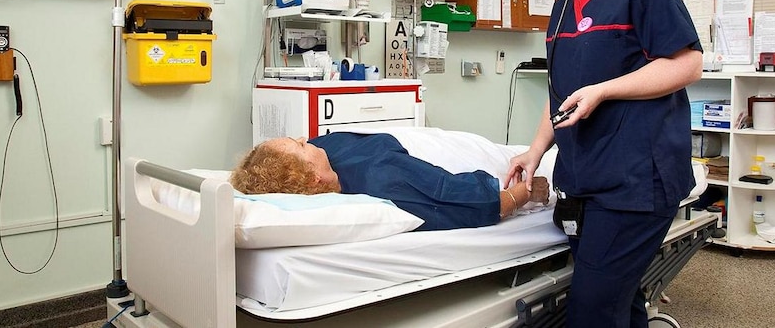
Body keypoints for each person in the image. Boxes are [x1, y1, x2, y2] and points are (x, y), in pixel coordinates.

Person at [503, 0, 702, 328]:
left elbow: (687, 64)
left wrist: (605, 89)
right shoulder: (562, 4)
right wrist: (535, 151)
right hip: (585, 179)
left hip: (637, 178)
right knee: (618, 303)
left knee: (593, 311)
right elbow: (561, 91)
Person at [231, 131, 550, 231]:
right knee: (551, 158)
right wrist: (524, 194)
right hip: (475, 159)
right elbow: (470, 202)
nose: (305, 138)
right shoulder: (381, 182)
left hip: (431, 136)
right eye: (300, 145)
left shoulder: (322, 158)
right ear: (313, 179)